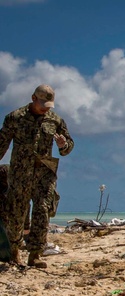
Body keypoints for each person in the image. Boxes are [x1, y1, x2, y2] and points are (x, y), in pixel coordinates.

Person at [0, 84, 74, 267]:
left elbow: (68, 147)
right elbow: (2, 144)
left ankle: (35, 254)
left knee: (42, 210)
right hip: (20, 174)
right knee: (17, 213)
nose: (46, 108)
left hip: (44, 174)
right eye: (43, 104)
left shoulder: (55, 120)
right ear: (34, 98)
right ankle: (15, 252)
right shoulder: (15, 118)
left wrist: (63, 145)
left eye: (49, 105)